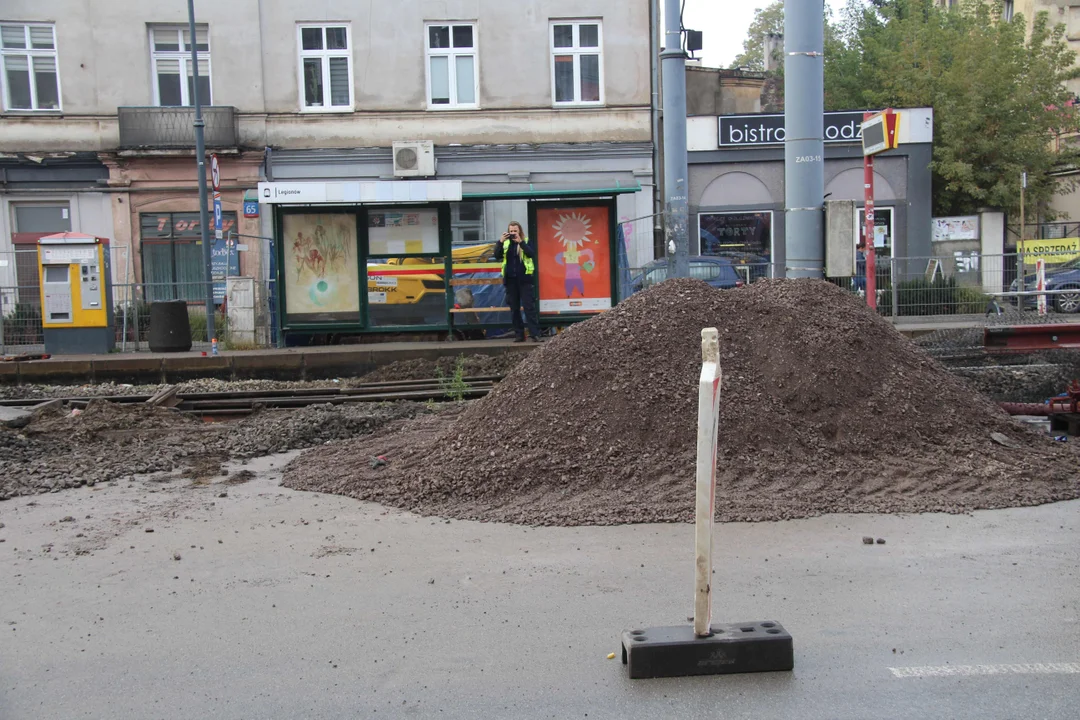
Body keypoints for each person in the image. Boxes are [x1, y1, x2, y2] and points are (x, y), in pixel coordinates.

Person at [494, 220, 542, 342]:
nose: (513, 233)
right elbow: (497, 255)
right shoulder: (505, 244)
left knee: (529, 307)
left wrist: (520, 242)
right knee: (514, 309)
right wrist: (500, 242)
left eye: (515, 231)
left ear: (520, 231)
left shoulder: (525, 241)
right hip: (510, 281)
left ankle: (535, 334)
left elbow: (531, 254)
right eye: (511, 231)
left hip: (524, 280)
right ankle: (519, 334)